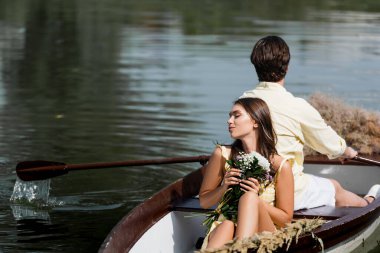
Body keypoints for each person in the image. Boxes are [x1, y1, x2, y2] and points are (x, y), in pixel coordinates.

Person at [240, 35, 380, 210]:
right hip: (290, 191)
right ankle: (368, 205)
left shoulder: (242, 102)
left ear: (255, 66)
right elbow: (328, 144)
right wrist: (347, 151)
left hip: (249, 187)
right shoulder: (297, 106)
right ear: (287, 68)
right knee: (335, 188)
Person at [199, 97, 294, 249]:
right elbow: (204, 202)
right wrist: (224, 187)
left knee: (249, 197)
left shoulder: (280, 165)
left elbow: (286, 220)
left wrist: (257, 200)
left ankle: (239, 248)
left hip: (263, 232)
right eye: (230, 116)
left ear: (255, 121)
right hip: (226, 224)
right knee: (227, 225)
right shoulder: (222, 154)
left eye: (236, 116)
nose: (229, 121)